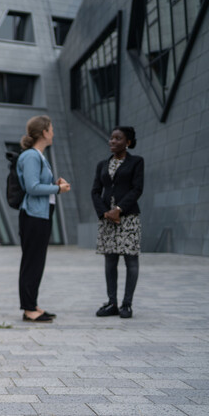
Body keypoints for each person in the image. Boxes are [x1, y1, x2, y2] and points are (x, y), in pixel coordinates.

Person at [16, 115, 71, 323]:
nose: (53, 133)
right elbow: (32, 187)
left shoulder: (37, 155)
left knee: (36, 261)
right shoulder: (31, 156)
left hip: (40, 215)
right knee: (32, 262)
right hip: (33, 216)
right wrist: (58, 188)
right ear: (45, 132)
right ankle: (29, 309)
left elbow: (38, 184)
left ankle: (33, 305)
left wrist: (53, 184)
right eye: (51, 129)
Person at [91, 126, 144, 319]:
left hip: (128, 218)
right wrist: (105, 213)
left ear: (127, 142)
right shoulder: (102, 164)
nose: (112, 141)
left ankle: (126, 305)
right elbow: (95, 191)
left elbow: (137, 189)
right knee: (110, 261)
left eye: (117, 138)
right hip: (107, 219)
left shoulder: (137, 162)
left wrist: (119, 209)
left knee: (131, 261)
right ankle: (111, 303)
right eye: (111, 138)